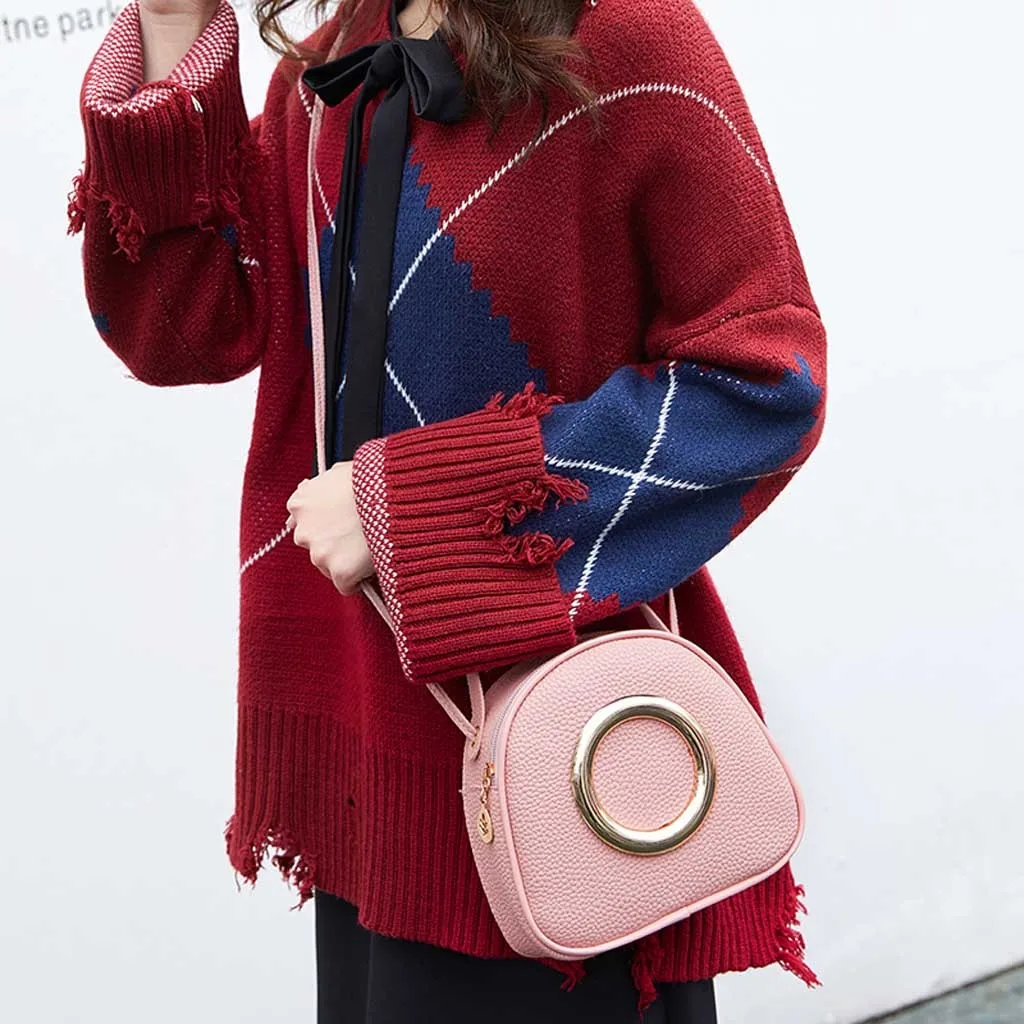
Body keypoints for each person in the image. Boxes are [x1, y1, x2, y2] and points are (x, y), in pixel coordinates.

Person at [69, 0, 827, 1019]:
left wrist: (410, 512)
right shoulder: (335, 63)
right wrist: (171, 22)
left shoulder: (628, 36)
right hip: (370, 762)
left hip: (567, 760)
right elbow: (183, 327)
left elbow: (764, 385)